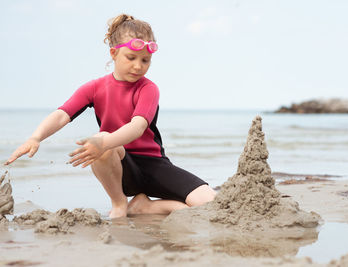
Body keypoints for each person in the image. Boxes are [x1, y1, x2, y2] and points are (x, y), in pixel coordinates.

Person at [5, 13, 216, 218]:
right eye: (131, 57)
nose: (138, 66)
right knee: (102, 140)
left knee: (211, 203)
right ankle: (120, 203)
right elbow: (62, 114)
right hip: (119, 167)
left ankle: (142, 207)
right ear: (114, 54)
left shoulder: (148, 89)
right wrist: (36, 137)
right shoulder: (95, 88)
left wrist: (103, 141)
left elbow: (137, 127)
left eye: (145, 60)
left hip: (155, 166)